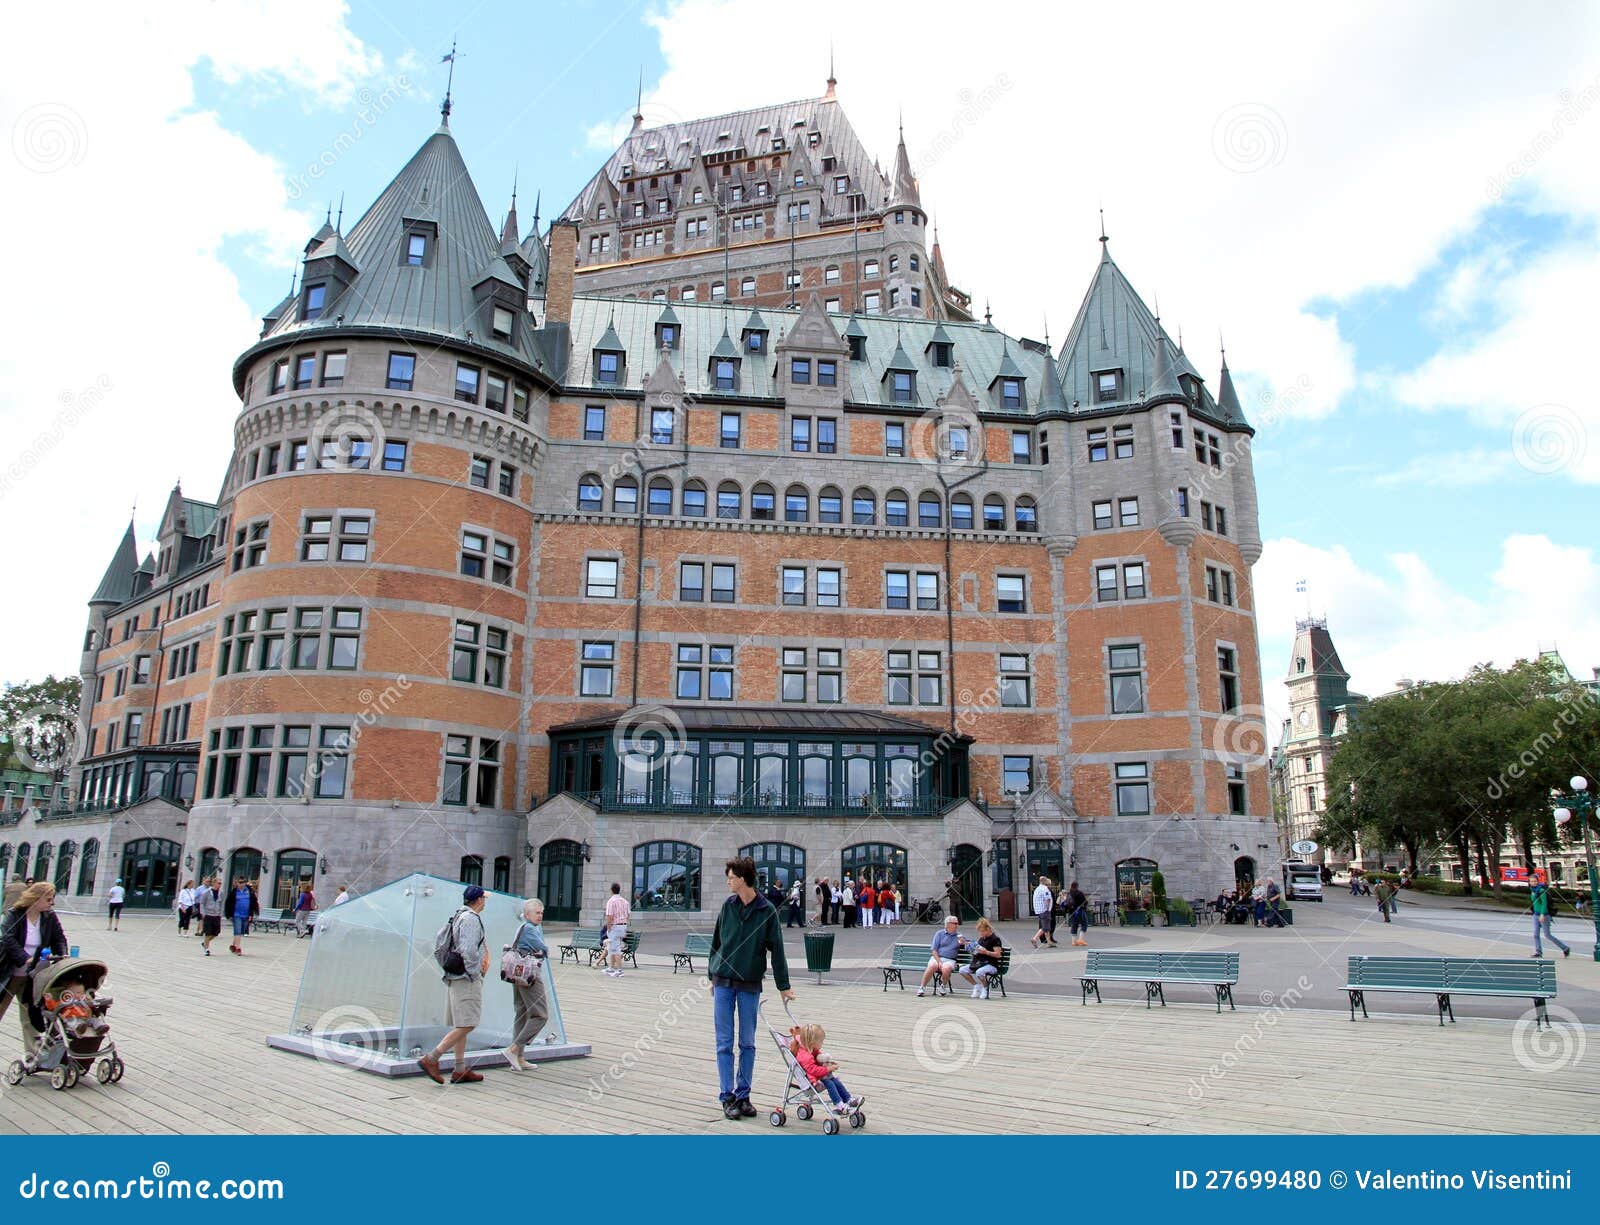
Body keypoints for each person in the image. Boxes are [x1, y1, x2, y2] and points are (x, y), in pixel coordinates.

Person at [706, 856, 793, 1121]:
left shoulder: (766, 911)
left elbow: (777, 949)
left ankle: (743, 1095)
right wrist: (711, 974)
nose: (728, 882)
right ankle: (727, 1096)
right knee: (724, 1042)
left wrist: (783, 986)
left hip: (749, 983)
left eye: (731, 878)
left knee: (747, 1042)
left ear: (742, 879)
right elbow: (717, 941)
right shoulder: (728, 906)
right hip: (723, 981)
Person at [419, 885, 490, 1085]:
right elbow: (468, 950)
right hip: (466, 978)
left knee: (461, 1023)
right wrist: (475, 973)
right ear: (479, 900)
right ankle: (432, 1058)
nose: (485, 901)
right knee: (469, 1023)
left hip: (455, 976)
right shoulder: (471, 919)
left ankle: (459, 1070)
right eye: (484, 898)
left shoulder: (459, 915)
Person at [1, 882, 67, 1054]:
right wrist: (25, 958)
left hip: (33, 975)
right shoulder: (14, 914)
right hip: (9, 973)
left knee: (30, 1016)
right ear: (36, 898)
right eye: (48, 899)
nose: (52, 903)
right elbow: (8, 938)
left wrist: (63, 955)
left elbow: (59, 938)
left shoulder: (49, 917)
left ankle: (33, 1055)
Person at [504, 897, 550, 1070]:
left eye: (542, 913)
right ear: (527, 914)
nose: (540, 916)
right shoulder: (530, 929)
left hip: (517, 973)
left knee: (522, 1013)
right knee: (540, 1015)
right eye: (537, 913)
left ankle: (519, 1057)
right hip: (529, 975)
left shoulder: (524, 927)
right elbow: (543, 949)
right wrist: (544, 950)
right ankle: (514, 1049)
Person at [788, 1022, 861, 1111]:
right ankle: (839, 1105)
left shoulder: (812, 1049)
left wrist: (827, 1063)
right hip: (812, 1081)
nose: (822, 1044)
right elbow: (813, 1070)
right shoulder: (805, 1056)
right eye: (821, 1042)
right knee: (830, 1084)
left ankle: (848, 1099)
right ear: (812, 1043)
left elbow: (818, 1060)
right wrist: (827, 1069)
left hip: (819, 1076)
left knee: (836, 1081)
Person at [919, 914, 965, 996]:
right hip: (937, 958)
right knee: (932, 966)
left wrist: (963, 943)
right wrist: (939, 961)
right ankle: (922, 987)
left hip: (950, 960)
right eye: (955, 923)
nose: (957, 925)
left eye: (957, 923)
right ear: (948, 924)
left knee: (946, 968)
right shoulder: (939, 934)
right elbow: (934, 950)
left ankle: (943, 985)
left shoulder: (959, 936)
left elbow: (969, 944)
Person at [959, 917, 1004, 998]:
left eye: (982, 931)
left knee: (979, 972)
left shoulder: (995, 939)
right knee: (962, 970)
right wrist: (971, 950)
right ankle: (976, 986)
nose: (981, 933)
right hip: (979, 963)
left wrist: (986, 952)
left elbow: (998, 954)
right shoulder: (981, 939)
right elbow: (977, 952)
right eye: (979, 931)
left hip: (991, 964)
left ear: (988, 929)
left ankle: (986, 988)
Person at [1531, 878, 1570, 958]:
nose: (1533, 883)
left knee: (1547, 935)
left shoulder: (1541, 891)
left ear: (1538, 882)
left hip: (1544, 915)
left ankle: (1565, 948)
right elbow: (1534, 903)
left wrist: (1542, 914)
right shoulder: (1532, 890)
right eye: (1531, 881)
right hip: (1536, 915)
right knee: (1535, 934)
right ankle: (1538, 952)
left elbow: (1544, 904)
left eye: (1535, 881)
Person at [603, 881, 631, 978]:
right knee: (612, 946)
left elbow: (609, 916)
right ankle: (611, 968)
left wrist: (608, 928)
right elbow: (628, 915)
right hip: (623, 926)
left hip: (615, 926)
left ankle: (619, 970)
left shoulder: (611, 901)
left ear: (611, 890)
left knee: (616, 949)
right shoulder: (625, 901)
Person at [228, 877, 259, 955]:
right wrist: (229, 914)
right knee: (237, 930)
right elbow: (228, 903)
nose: (241, 884)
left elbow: (253, 902)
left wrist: (251, 914)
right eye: (240, 882)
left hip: (246, 914)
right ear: (237, 883)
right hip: (237, 914)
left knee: (241, 931)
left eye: (243, 882)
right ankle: (238, 948)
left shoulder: (249, 891)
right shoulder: (234, 892)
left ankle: (233, 945)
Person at [196, 876, 224, 955]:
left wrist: (220, 913)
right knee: (208, 932)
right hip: (208, 914)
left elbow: (221, 903)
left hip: (217, 914)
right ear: (214, 883)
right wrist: (203, 913)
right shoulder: (207, 892)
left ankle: (205, 942)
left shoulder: (221, 893)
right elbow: (202, 903)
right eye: (218, 883)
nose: (220, 885)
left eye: (220, 883)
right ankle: (206, 949)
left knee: (215, 933)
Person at [1029, 876, 1055, 948]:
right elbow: (1048, 899)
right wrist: (1048, 909)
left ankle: (1049, 942)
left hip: (1039, 910)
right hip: (1044, 910)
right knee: (1045, 927)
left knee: (1046, 926)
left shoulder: (1037, 889)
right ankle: (1035, 938)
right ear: (1045, 881)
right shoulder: (1045, 889)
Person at [1066, 881, 1090, 946]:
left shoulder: (1069, 893)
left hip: (1071, 912)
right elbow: (1085, 902)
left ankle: (1073, 942)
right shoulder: (1079, 893)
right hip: (1080, 911)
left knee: (1074, 925)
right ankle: (1080, 940)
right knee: (1084, 924)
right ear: (1077, 886)